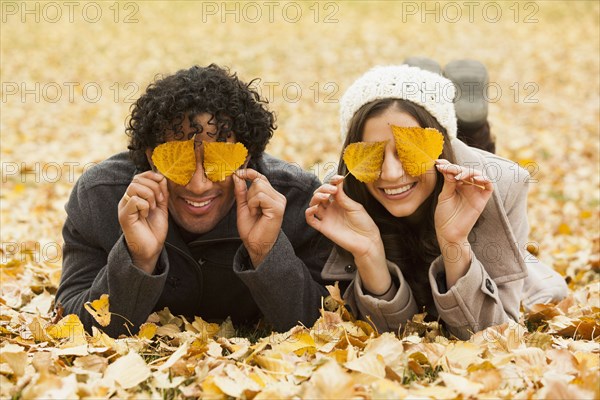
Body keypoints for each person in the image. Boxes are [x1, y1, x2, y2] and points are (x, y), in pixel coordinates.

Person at [56, 65, 332, 337]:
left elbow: (325, 323)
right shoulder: (100, 197)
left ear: (246, 158)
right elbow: (68, 323)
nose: (199, 185)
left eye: (218, 161)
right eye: (180, 161)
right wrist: (137, 259)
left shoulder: (298, 201)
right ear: (152, 157)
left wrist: (266, 252)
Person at [306, 65, 567, 339]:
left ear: (439, 145)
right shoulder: (341, 199)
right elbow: (391, 336)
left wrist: (455, 243)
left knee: (546, 287)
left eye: (409, 152)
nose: (391, 173)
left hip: (481, 237)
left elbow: (494, 336)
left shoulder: (504, 184)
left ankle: (473, 125)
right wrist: (368, 254)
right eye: (374, 156)